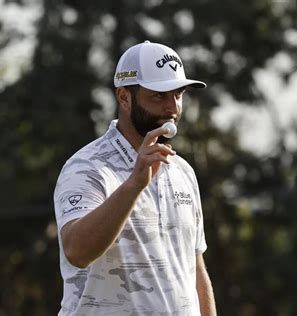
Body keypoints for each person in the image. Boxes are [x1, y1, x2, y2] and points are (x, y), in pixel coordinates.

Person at [53, 40, 217, 316]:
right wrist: (133, 185)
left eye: (178, 94)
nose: (172, 108)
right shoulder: (87, 166)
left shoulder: (183, 172)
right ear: (124, 97)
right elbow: (77, 251)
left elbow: (194, 269)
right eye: (158, 96)